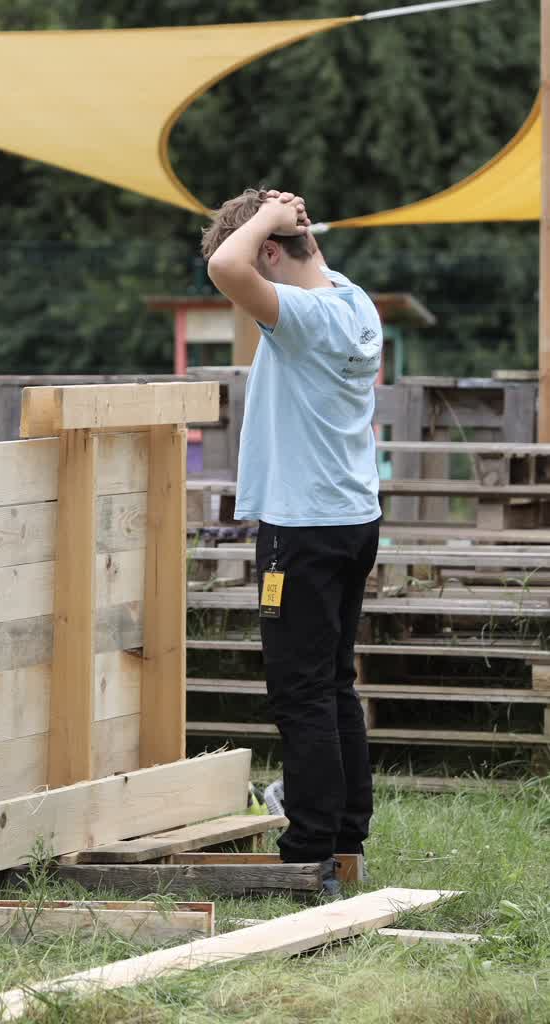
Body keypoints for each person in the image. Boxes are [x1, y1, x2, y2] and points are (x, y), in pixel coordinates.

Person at [201, 188, 382, 897]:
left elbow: (225, 268)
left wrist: (266, 221)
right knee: (333, 684)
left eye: (261, 254)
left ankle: (308, 852)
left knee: (300, 692)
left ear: (270, 251)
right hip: (351, 518)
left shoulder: (302, 317)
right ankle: (345, 841)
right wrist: (287, 220)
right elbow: (300, 263)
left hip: (301, 529)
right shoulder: (353, 302)